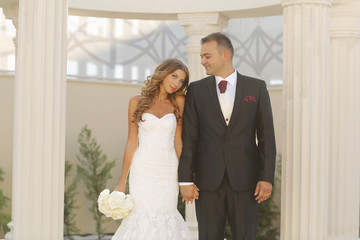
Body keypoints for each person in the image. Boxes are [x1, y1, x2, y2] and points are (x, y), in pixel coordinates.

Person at [178, 32, 276, 240]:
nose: (202, 61)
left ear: (225, 55)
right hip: (207, 181)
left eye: (207, 56)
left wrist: (266, 178)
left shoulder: (256, 88)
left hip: (246, 180)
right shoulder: (196, 90)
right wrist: (185, 180)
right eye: (201, 57)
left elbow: (267, 136)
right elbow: (190, 137)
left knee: (245, 236)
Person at [112, 58, 194, 240]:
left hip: (168, 170)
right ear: (163, 73)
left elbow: (178, 141)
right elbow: (132, 141)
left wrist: (186, 178)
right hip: (143, 170)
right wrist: (122, 181)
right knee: (140, 216)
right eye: (174, 76)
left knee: (167, 214)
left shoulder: (179, 101)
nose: (176, 83)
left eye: (181, 80)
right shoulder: (136, 101)